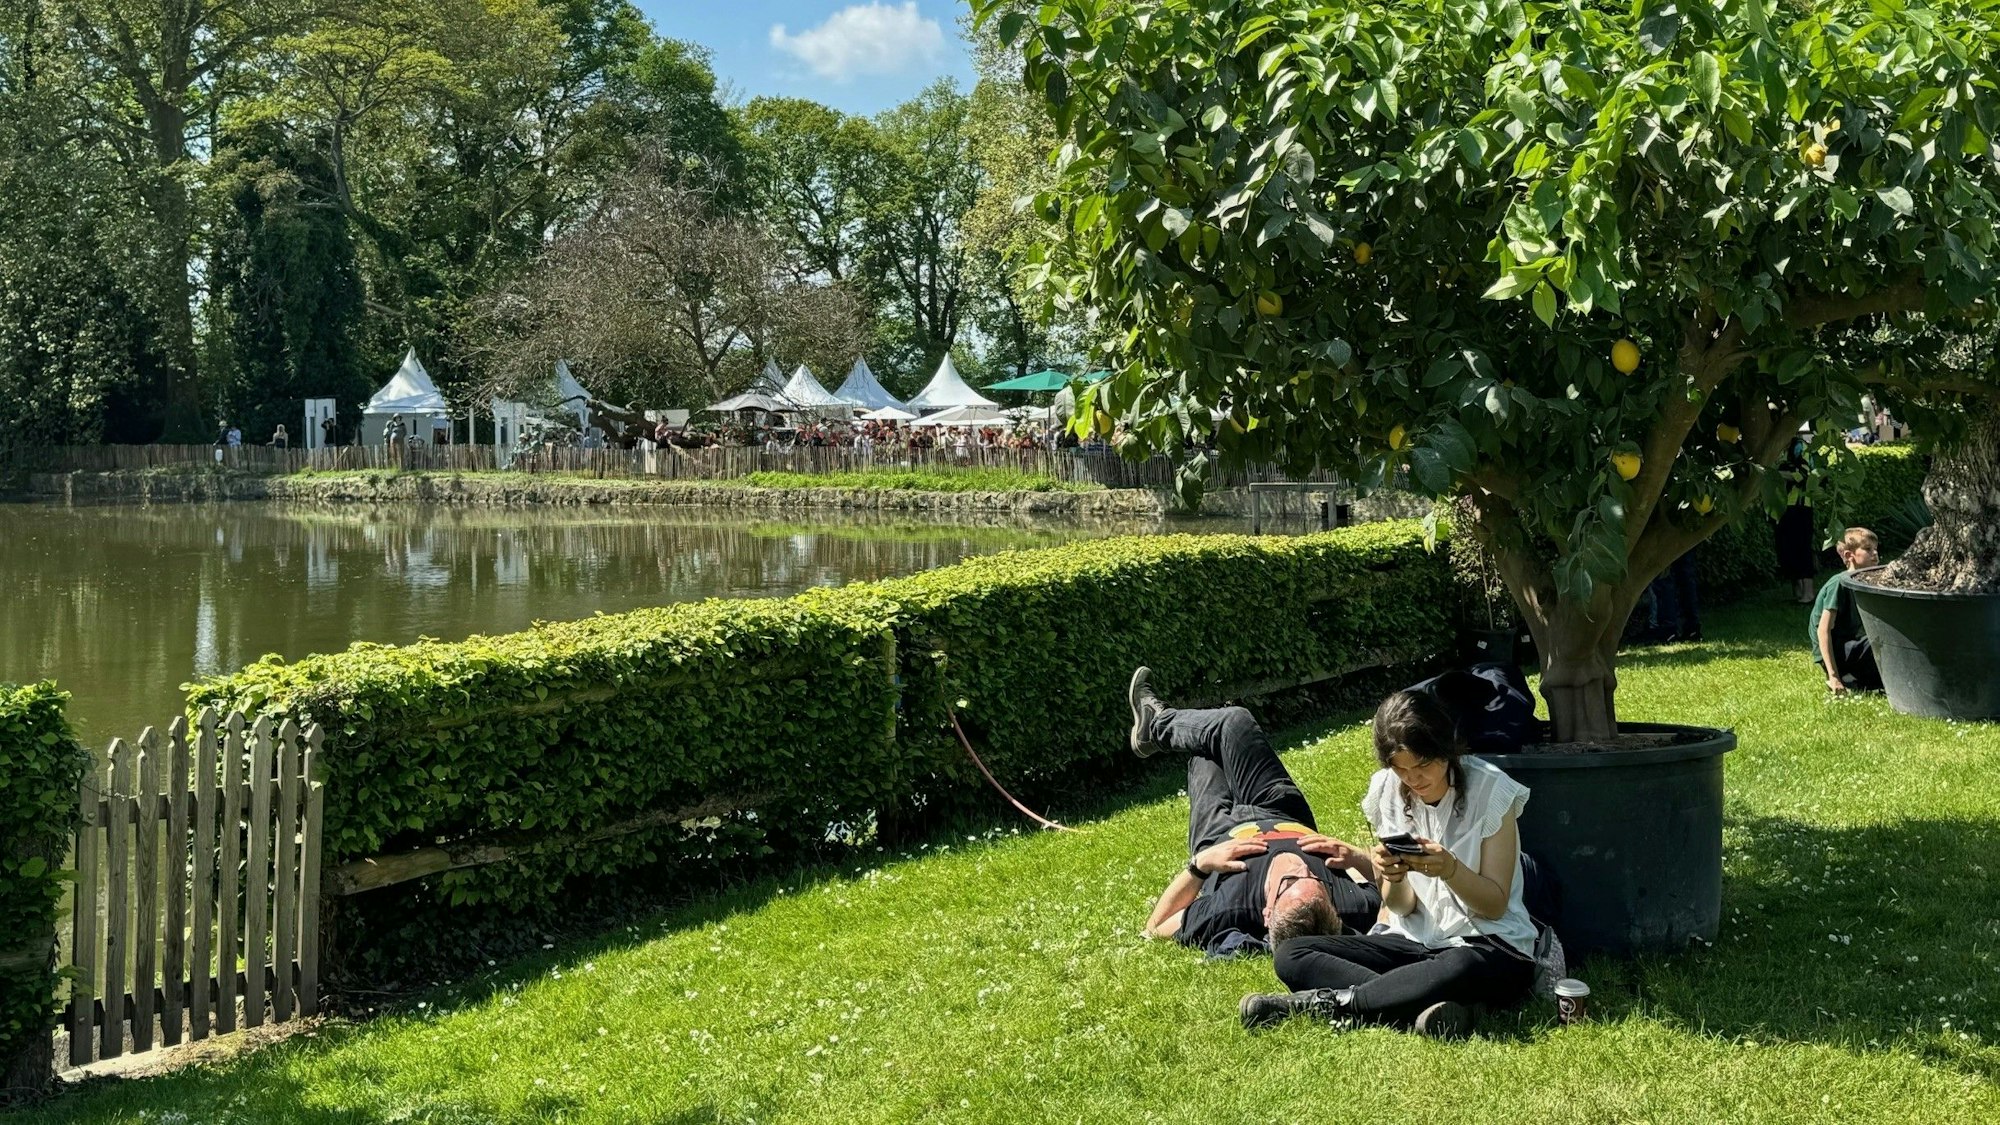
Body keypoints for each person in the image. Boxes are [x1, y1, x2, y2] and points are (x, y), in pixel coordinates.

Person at [1238, 690, 1539, 1039]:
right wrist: (1393, 878)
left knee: (1460, 965)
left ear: (1447, 750)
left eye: (1423, 765)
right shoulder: (1386, 790)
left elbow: (1495, 905)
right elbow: (1400, 906)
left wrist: (1451, 870)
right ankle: (1415, 1003)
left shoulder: (1491, 790)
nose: (1414, 779)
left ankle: (1335, 1003)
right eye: (1401, 769)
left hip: (1487, 944)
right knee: (1293, 952)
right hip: (1414, 943)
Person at [1127, 669, 1382, 958]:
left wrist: (1200, 866)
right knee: (1233, 722)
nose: (1298, 867)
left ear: (1267, 912)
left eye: (1288, 883)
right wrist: (1357, 857)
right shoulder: (1353, 905)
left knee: (1204, 747)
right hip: (1282, 810)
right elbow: (1398, 883)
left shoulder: (1229, 908)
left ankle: (1156, 724)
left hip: (1219, 830)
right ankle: (1156, 724)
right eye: (1315, 878)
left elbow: (1155, 927)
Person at [1811, 527, 1882, 694]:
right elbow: (1823, 630)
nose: (1875, 553)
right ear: (1850, 556)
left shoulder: (1863, 582)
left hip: (1850, 646)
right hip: (1836, 652)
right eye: (1867, 549)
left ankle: (1854, 680)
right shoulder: (1839, 584)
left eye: (1875, 549)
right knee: (1880, 642)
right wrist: (1833, 675)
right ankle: (1842, 676)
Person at [1775, 430, 1817, 604]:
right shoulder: (1775, 449)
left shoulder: (1800, 447)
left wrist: (1775, 474)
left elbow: (1804, 475)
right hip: (1780, 507)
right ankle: (1798, 593)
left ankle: (1808, 593)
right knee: (1785, 548)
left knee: (1802, 547)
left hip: (1801, 506)